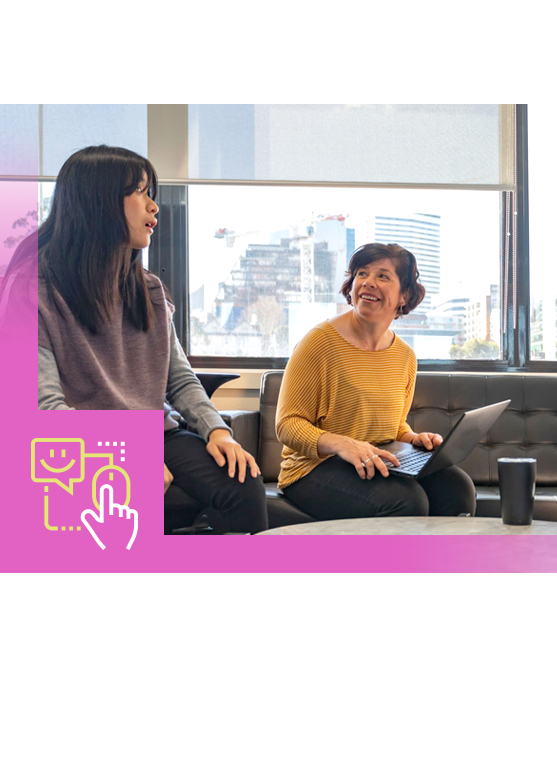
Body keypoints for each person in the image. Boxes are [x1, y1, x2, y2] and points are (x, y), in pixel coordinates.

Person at [34, 145, 267, 534]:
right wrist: (122, 458)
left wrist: (218, 431)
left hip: (157, 433)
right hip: (81, 441)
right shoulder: (34, 294)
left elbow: (179, 379)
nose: (154, 207)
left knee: (243, 484)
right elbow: (46, 407)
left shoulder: (150, 290)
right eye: (141, 193)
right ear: (99, 203)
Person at [276, 243, 476, 520]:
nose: (368, 283)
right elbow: (287, 425)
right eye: (362, 274)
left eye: (382, 276)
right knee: (407, 502)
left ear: (404, 294)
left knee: (457, 488)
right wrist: (342, 444)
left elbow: (394, 426)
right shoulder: (318, 343)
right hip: (314, 468)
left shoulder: (405, 356)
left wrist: (414, 438)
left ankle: (438, 563)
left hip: (375, 459)